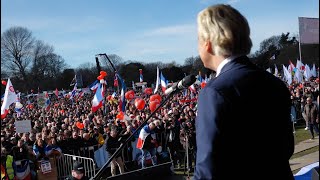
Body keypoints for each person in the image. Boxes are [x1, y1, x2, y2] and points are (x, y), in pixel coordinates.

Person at [194, 4, 294, 180]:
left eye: (198, 40)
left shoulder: (214, 92)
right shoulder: (274, 83)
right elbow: (286, 148)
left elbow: (208, 173)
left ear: (208, 44)